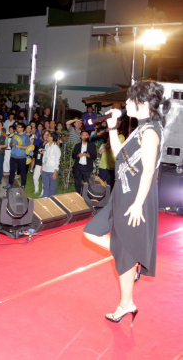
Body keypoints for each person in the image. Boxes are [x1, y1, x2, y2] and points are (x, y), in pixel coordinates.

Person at [83, 80, 168, 326]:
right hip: (121, 195)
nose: (127, 103)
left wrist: (138, 203)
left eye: (131, 100)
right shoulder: (141, 128)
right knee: (92, 232)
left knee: (123, 252)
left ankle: (126, 303)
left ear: (144, 103)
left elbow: (149, 171)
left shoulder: (150, 131)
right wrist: (111, 128)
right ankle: (130, 257)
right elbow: (119, 155)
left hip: (134, 198)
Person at [4, 123, 31, 190]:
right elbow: (10, 144)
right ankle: (10, 184)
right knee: (12, 171)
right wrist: (12, 144)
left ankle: (23, 185)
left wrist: (20, 146)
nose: (17, 128)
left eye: (19, 127)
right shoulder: (14, 135)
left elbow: (28, 147)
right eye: (17, 127)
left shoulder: (26, 136)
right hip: (13, 156)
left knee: (22, 171)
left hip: (21, 157)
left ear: (22, 128)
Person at [41, 131, 60, 198]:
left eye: (48, 135)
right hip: (45, 169)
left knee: (52, 187)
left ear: (52, 138)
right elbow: (44, 157)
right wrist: (42, 167)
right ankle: (45, 198)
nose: (46, 136)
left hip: (52, 170)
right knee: (45, 186)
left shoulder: (56, 148)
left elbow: (57, 161)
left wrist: (55, 172)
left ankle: (51, 199)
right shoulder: (46, 145)